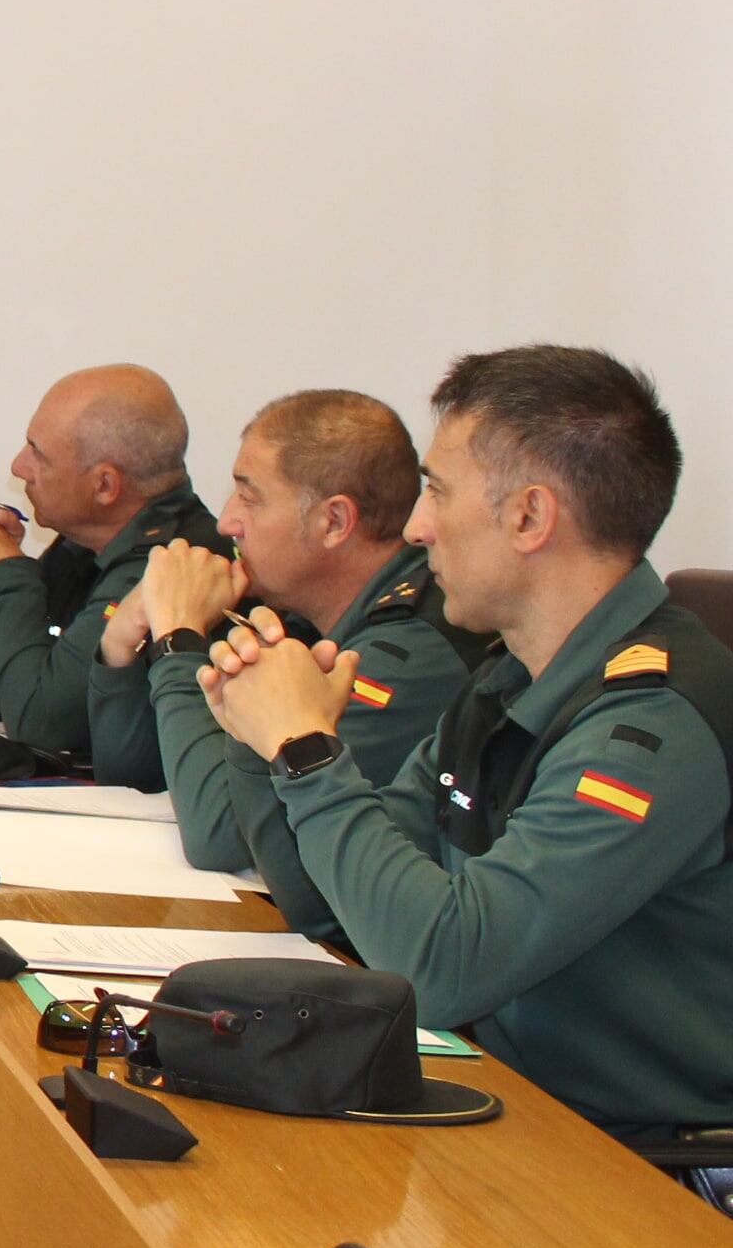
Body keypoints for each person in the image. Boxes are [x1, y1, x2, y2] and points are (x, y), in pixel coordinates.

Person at [203, 346, 733, 1143]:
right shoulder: (510, 681)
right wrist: (264, 733)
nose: (416, 527)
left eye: (437, 492)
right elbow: (330, 907)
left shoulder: (651, 726)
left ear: (529, 517)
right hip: (517, 1111)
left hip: (648, 1167)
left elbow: (445, 968)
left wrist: (307, 750)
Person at [99, 390, 478, 939]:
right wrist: (118, 649)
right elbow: (125, 774)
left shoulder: (406, 653)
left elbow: (218, 837)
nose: (227, 521)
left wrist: (179, 642)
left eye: (249, 498)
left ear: (333, 522)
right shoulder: (302, 618)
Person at [0, 365, 220, 785]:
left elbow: (39, 723)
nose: (18, 467)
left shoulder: (172, 564)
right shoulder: (86, 543)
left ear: (104, 485)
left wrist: (10, 573)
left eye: (38, 454)